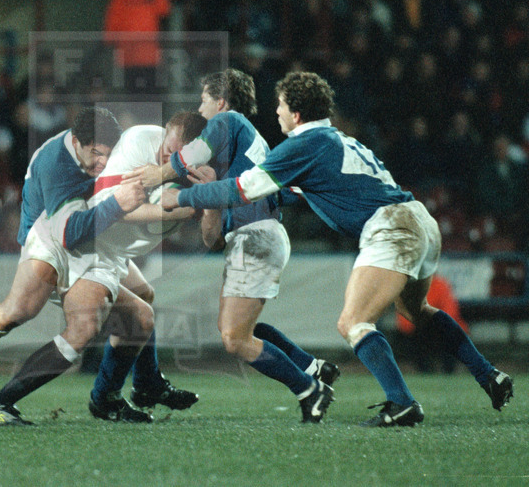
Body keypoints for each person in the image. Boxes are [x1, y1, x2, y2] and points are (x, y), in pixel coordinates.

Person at [161, 71, 514, 426]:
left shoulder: (303, 145)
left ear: (296, 113)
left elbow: (242, 189)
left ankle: (401, 402)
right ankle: (488, 375)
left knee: (353, 322)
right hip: (419, 219)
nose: (278, 113)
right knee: (416, 310)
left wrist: (181, 196)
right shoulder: (335, 139)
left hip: (391, 226)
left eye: (281, 106)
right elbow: (292, 190)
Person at [0, 107, 151, 426]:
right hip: (55, 239)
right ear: (77, 141)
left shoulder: (94, 154)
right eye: (96, 154)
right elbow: (68, 233)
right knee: (32, 316)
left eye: (107, 155)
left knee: (140, 313)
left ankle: (118, 393)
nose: (102, 162)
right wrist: (120, 204)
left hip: (81, 240)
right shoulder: (57, 162)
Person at [124, 69, 338, 424]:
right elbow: (212, 239)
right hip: (251, 237)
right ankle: (312, 368)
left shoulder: (229, 120)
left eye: (204, 100)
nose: (200, 109)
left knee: (235, 339)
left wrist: (159, 177)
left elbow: (193, 152)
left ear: (220, 102)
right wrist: (208, 201)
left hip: (257, 236)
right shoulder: (237, 155)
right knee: (239, 331)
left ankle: (308, 388)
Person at [79, 111, 206, 416]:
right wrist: (175, 211)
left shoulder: (196, 167)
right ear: (163, 132)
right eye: (167, 148)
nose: (168, 157)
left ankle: (146, 384)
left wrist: (190, 206)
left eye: (177, 155)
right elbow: (112, 208)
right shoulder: (139, 141)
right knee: (141, 316)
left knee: (145, 296)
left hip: (111, 247)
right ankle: (105, 397)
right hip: (87, 241)